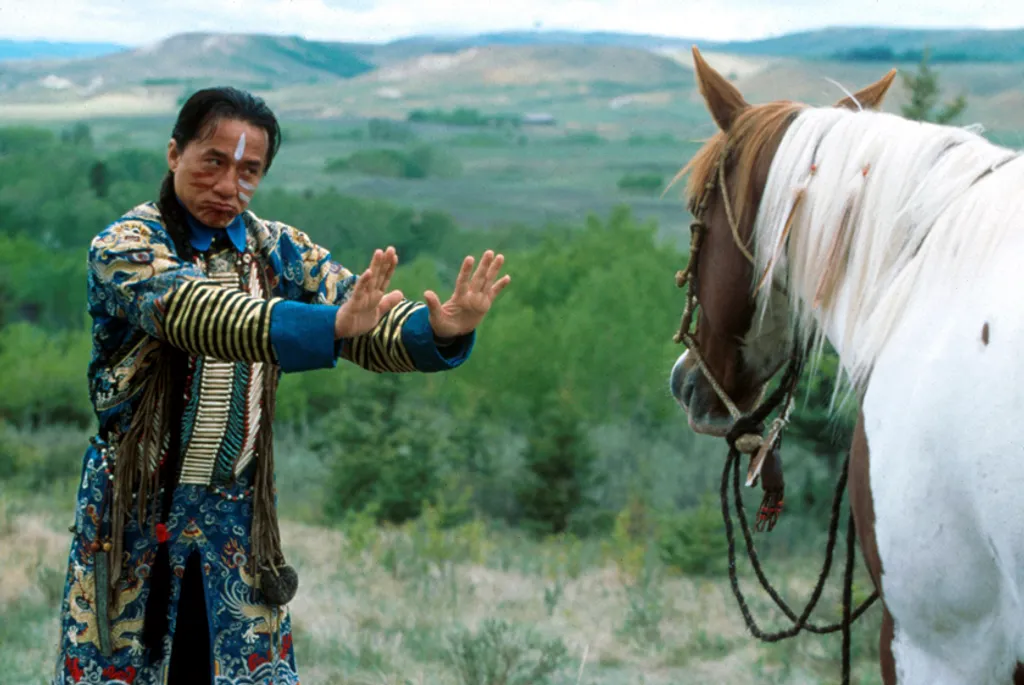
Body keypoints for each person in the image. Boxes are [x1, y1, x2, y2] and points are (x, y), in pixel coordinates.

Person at [51, 86, 510, 685]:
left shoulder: (281, 251)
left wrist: (440, 330)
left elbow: (361, 319)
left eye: (249, 171)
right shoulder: (126, 248)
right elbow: (202, 314)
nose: (228, 185)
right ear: (174, 153)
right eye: (213, 162)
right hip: (133, 518)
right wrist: (330, 326)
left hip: (237, 523)